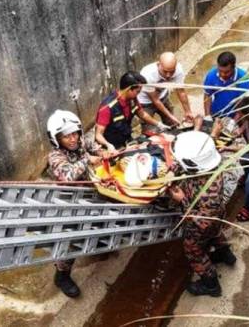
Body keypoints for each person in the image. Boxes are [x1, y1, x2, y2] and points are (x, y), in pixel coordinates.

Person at [46, 109, 106, 297]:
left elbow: (95, 147)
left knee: (100, 223)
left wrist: (105, 152)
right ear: (57, 139)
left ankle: (97, 244)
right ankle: (62, 276)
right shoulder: (55, 157)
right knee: (71, 241)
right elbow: (67, 176)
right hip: (70, 202)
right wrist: (88, 160)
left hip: (92, 193)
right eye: (66, 136)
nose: (73, 139)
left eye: (75, 133)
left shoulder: (81, 141)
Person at [169, 131, 236, 297]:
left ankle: (211, 284)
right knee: (215, 234)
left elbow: (202, 220)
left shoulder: (209, 194)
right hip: (217, 216)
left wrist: (182, 200)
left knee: (193, 249)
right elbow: (188, 162)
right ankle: (225, 254)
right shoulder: (211, 163)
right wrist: (173, 171)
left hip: (204, 221)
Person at [95, 71, 169, 151]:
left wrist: (159, 124)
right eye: (137, 91)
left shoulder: (132, 99)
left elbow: (142, 114)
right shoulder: (108, 107)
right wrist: (108, 145)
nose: (139, 94)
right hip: (112, 147)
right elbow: (98, 135)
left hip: (126, 141)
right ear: (128, 90)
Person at [138, 52, 193, 128]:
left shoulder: (178, 70)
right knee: (149, 129)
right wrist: (171, 116)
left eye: (171, 72)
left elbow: (181, 91)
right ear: (158, 64)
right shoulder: (147, 74)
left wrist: (188, 111)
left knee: (172, 124)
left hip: (162, 96)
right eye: (165, 71)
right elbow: (155, 100)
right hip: (145, 102)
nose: (168, 75)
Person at [203, 51, 249, 118]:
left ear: (233, 67)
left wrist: (234, 121)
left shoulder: (244, 79)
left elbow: (243, 103)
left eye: (226, 72)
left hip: (234, 116)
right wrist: (207, 116)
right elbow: (208, 96)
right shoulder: (211, 75)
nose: (222, 75)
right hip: (215, 113)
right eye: (220, 71)